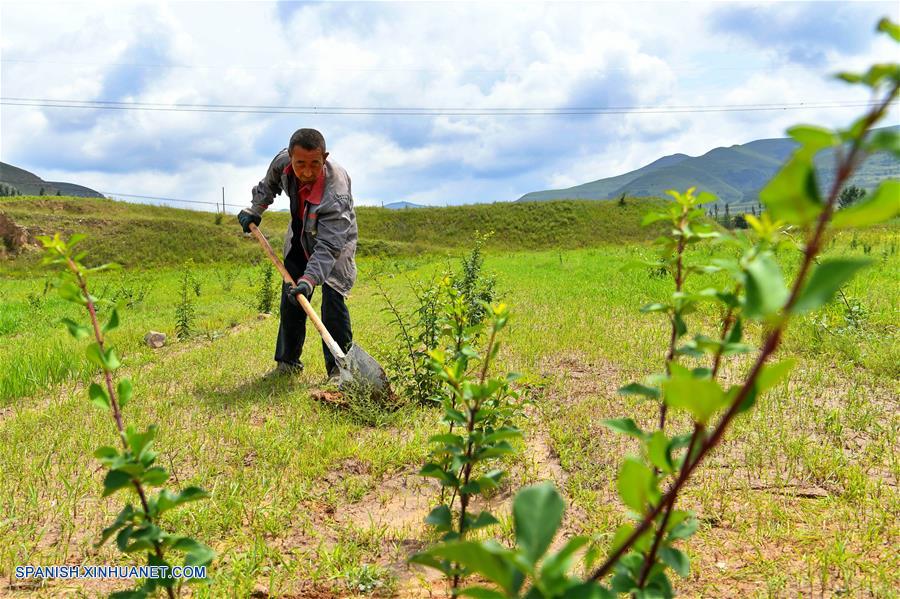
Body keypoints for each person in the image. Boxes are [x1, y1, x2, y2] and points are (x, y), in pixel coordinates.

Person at [237, 128, 358, 381]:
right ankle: (287, 362)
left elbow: (328, 247)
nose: (306, 171)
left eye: (315, 164)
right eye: (300, 163)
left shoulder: (336, 193)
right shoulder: (282, 163)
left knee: (333, 300)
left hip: (335, 242)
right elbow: (268, 185)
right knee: (291, 295)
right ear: (290, 157)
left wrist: (310, 280)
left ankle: (339, 370)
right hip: (300, 231)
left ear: (324, 157)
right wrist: (255, 209)